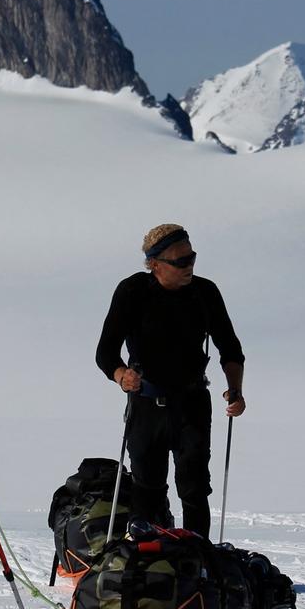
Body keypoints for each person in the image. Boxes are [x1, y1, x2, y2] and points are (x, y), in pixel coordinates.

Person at [95, 224, 246, 538]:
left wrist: (235, 390)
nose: (189, 266)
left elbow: (230, 349)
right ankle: (145, 558)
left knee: (194, 488)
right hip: (146, 405)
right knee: (147, 486)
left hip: (192, 403)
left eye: (192, 258)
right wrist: (122, 376)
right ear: (154, 264)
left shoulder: (205, 293)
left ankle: (198, 556)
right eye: (180, 261)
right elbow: (105, 353)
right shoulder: (133, 291)